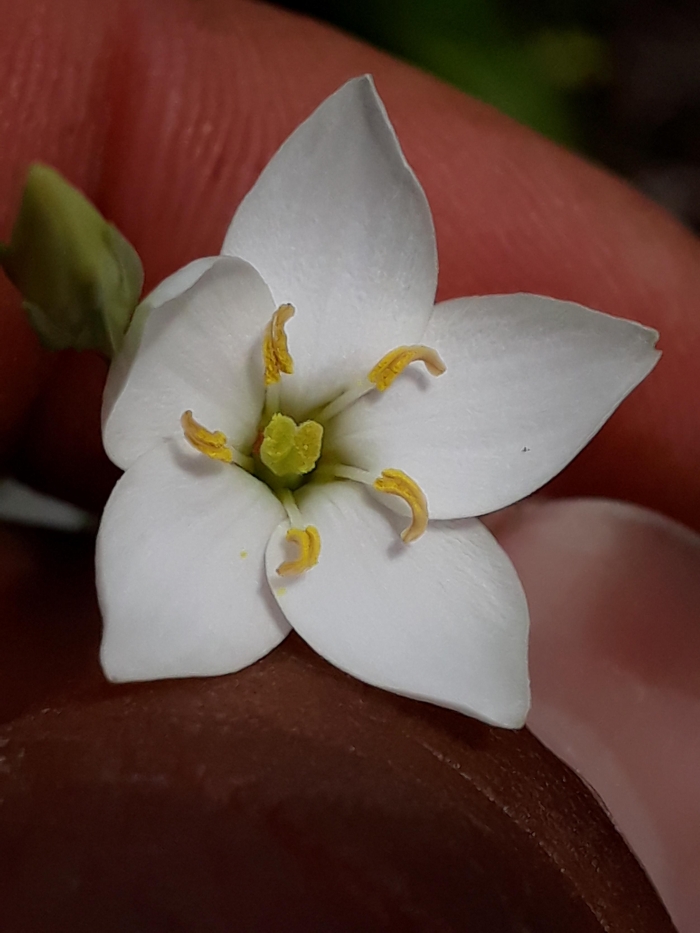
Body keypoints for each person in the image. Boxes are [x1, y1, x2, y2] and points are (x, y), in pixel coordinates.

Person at [0, 1, 697, 928]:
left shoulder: (324, 452)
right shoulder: (171, 338)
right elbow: (152, 619)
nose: (296, 446)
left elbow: (478, 660)